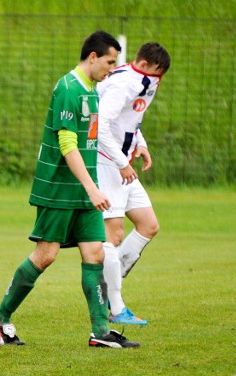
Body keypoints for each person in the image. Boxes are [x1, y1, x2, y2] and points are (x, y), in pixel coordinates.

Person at [0, 30, 140, 348]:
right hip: (59, 188)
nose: (112, 68)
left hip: (84, 190)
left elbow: (94, 138)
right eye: (110, 62)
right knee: (45, 255)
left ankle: (100, 332)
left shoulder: (92, 91)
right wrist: (92, 187)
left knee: (95, 252)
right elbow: (68, 144)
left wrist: (135, 145)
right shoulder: (68, 88)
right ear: (92, 57)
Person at [96, 42, 171, 325]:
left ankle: (108, 285)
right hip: (109, 163)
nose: (158, 81)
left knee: (149, 225)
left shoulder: (139, 80)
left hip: (123, 162)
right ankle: (114, 307)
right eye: (158, 74)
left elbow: (130, 120)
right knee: (113, 237)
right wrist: (122, 163)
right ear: (148, 67)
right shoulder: (124, 84)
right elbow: (101, 125)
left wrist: (141, 145)